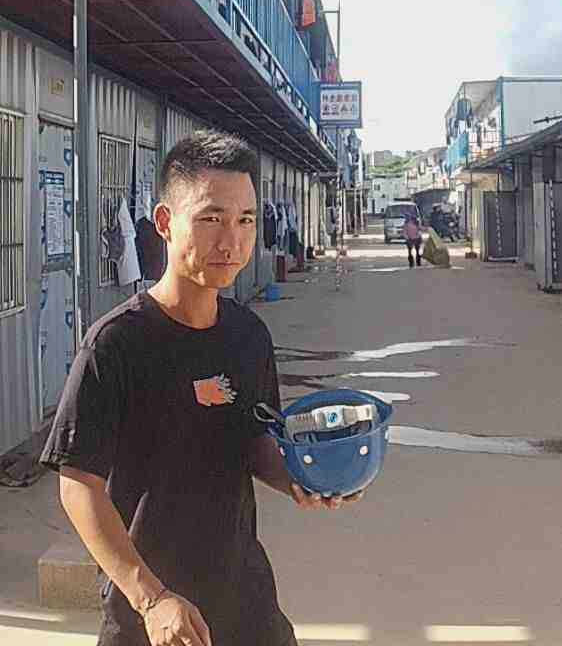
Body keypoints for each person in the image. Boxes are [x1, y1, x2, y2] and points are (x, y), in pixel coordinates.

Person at [40, 129, 364, 646]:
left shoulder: (248, 335)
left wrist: (302, 477)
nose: (231, 241)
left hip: (246, 603)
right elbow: (78, 484)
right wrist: (150, 598)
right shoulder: (116, 344)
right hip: (152, 615)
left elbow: (253, 439)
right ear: (165, 222)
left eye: (245, 220)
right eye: (211, 218)